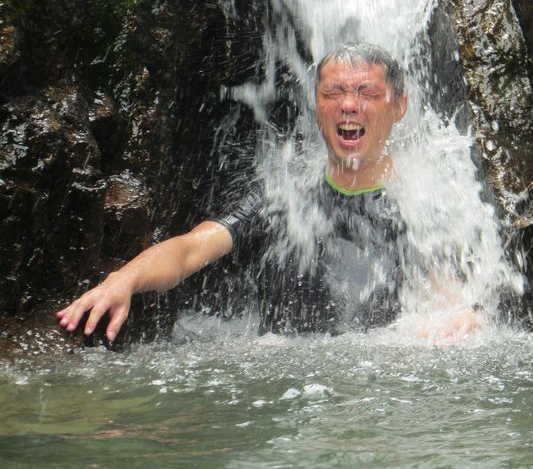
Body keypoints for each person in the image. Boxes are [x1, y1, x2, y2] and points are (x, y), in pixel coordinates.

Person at [57, 43, 483, 343]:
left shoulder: (420, 201)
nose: (348, 106)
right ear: (316, 105)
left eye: (366, 92)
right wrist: (124, 279)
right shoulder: (284, 197)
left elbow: (448, 299)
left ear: (399, 105)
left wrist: (459, 320)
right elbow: (190, 248)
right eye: (332, 93)